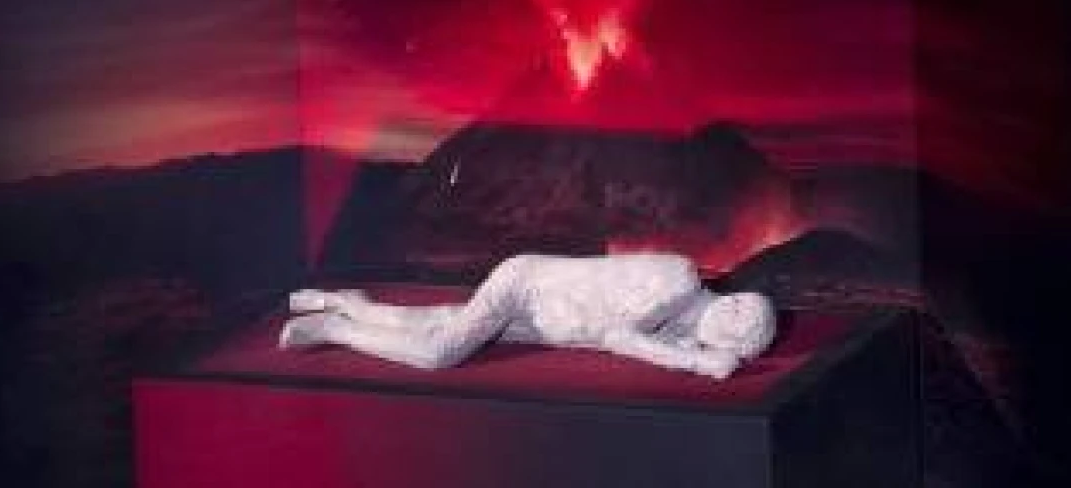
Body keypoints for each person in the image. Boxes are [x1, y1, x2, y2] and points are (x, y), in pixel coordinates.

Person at [278, 253, 775, 380]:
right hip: (527, 287)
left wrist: (690, 350)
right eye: (737, 339)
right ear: (733, 308)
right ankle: (335, 327)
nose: (724, 349)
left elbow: (644, 334)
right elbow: (619, 336)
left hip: (546, 321)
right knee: (437, 354)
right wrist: (695, 363)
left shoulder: (683, 318)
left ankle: (350, 303)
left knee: (432, 322)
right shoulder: (680, 282)